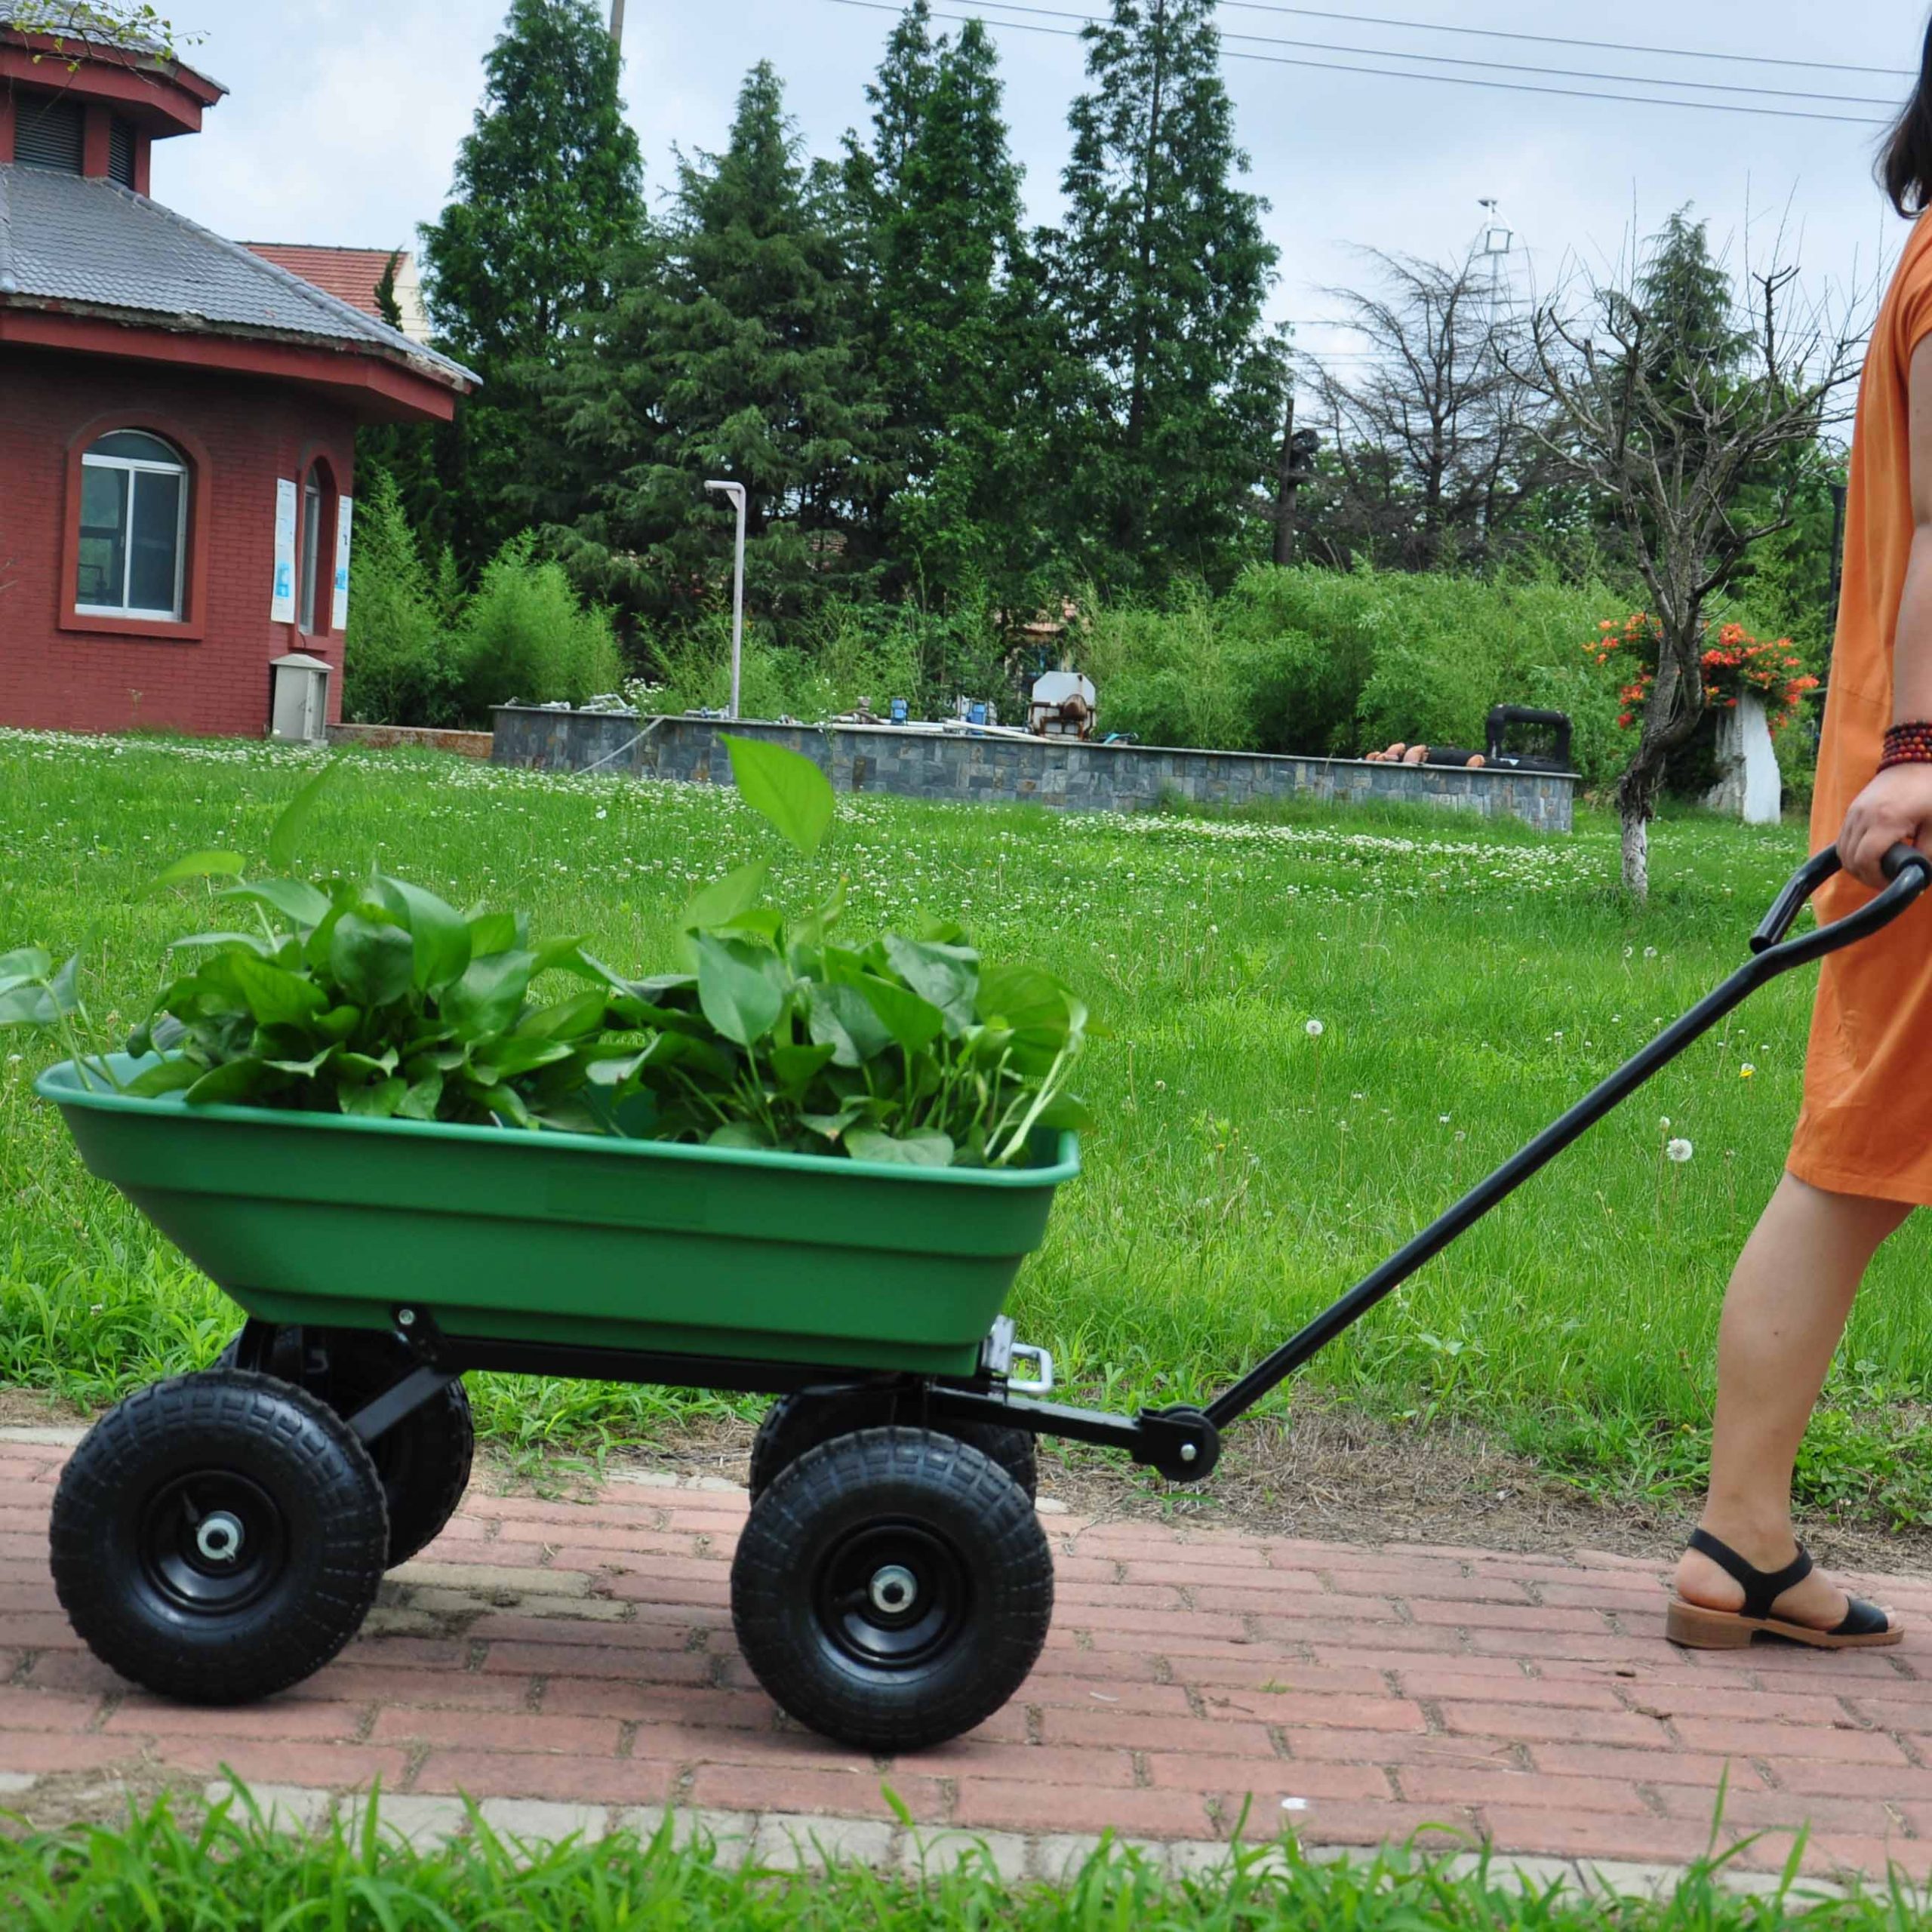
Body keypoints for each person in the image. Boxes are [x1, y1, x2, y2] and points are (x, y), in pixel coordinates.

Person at [1666, 19, 1932, 1652]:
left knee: (1848, 1167)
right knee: (1844, 1167)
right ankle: (1734, 1530)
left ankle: (1740, 1539)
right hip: (1922, 782)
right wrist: (1912, 754)